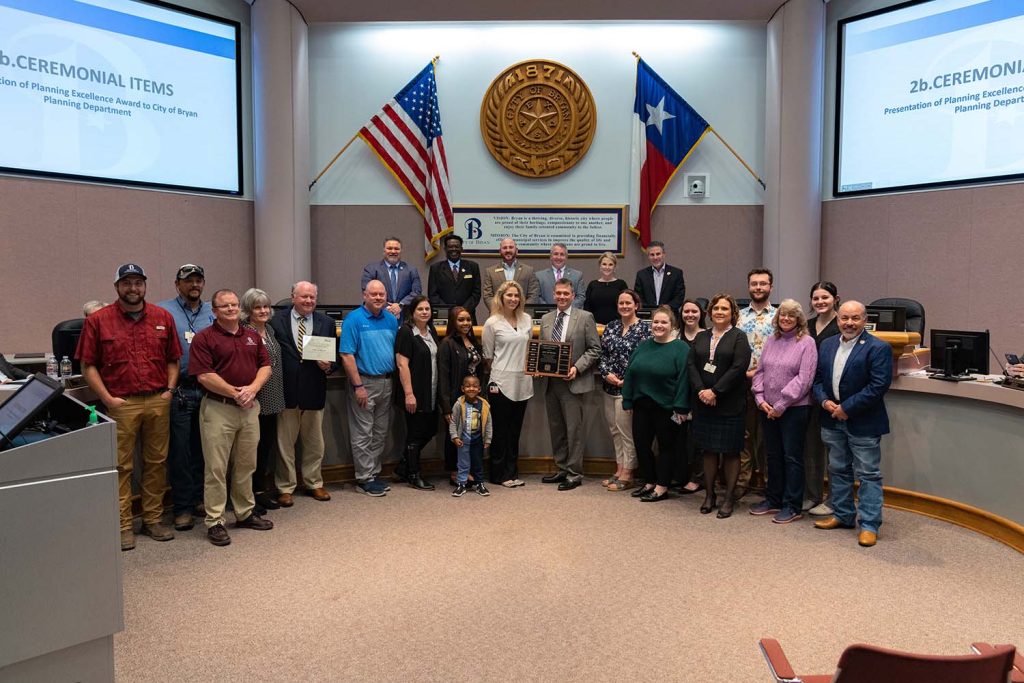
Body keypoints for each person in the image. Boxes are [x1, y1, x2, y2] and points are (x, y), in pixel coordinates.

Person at [76, 263, 182, 551]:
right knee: (121, 466)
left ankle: (152, 519)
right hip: (122, 403)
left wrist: (170, 391)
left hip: (158, 399)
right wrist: (108, 399)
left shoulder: (162, 317)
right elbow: (88, 365)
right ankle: (124, 526)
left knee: (157, 463)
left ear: (145, 286)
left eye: (138, 283)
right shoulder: (98, 320)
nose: (133, 288)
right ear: (117, 287)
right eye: (127, 283)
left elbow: (173, 359)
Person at [189, 289, 274, 546]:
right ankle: (215, 520)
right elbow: (203, 375)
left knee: (247, 463)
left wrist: (253, 389)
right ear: (214, 311)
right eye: (224, 306)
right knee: (216, 467)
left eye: (234, 305)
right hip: (219, 408)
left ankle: (245, 512)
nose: (231, 309)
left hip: (249, 408)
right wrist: (235, 393)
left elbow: (265, 366)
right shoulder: (204, 338)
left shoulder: (251, 336)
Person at [812, 301, 893, 548]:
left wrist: (847, 408)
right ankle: (843, 514)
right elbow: (816, 379)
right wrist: (825, 401)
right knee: (837, 469)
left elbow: (878, 386)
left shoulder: (878, 348)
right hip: (830, 417)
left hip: (863, 420)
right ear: (837, 320)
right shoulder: (826, 344)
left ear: (864, 320)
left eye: (855, 318)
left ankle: (869, 525)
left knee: (868, 474)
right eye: (845, 318)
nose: (849, 323)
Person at [157, 264, 216, 532]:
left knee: (205, 450)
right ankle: (181, 507)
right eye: (188, 281)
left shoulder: (212, 311)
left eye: (198, 280)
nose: (194, 285)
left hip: (208, 389)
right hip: (179, 389)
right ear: (177, 284)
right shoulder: (163, 311)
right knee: (180, 452)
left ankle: (200, 500)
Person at [749, 300, 818, 524]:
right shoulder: (771, 340)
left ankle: (793, 505)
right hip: (767, 409)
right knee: (772, 455)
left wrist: (781, 404)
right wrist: (760, 399)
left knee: (792, 457)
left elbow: (805, 379)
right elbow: (760, 372)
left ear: (799, 319)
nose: (786, 319)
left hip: (794, 409)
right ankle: (773, 499)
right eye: (782, 315)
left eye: (791, 315)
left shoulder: (807, 343)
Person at [268, 281, 336, 506]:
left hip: (314, 389)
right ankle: (285, 487)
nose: (308, 301)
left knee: (315, 443)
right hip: (285, 390)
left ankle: (314, 483)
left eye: (312, 297)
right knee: (284, 443)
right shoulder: (275, 320)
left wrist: (328, 366)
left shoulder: (326, 322)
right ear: (293, 297)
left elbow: (334, 357)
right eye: (304, 297)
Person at [688, 293, 752, 519]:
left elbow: (738, 368)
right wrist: (701, 392)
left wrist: (715, 391)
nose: (719, 312)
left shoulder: (739, 337)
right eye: (716, 308)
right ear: (710, 312)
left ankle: (728, 498)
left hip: (730, 404)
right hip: (704, 403)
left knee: (731, 452)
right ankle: (710, 495)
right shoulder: (702, 336)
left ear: (732, 313)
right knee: (708, 450)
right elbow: (691, 365)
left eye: (724, 309)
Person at [622, 305, 691, 502]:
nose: (659, 326)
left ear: (672, 325)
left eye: (664, 322)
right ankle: (650, 482)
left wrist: (681, 407)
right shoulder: (644, 345)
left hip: (668, 408)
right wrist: (627, 399)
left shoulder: (681, 348)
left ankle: (662, 486)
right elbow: (631, 373)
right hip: (642, 405)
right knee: (642, 446)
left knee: (666, 447)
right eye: (656, 322)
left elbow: (684, 381)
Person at [539, 278, 601, 491]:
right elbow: (542, 350)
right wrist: (538, 367)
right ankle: (562, 468)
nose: (562, 297)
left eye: (566, 293)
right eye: (559, 293)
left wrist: (577, 368)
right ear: (553, 295)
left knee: (574, 430)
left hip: (574, 382)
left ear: (573, 296)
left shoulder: (585, 317)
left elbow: (595, 349)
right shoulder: (546, 319)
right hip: (551, 383)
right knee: (557, 429)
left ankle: (574, 474)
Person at [339, 280, 400, 497]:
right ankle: (364, 478)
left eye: (381, 294)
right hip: (364, 383)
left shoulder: (391, 319)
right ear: (364, 295)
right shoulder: (354, 320)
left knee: (380, 432)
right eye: (373, 294)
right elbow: (346, 355)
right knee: (363, 433)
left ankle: (373, 473)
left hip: (386, 382)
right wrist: (358, 386)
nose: (378, 298)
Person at [597, 289, 650, 491]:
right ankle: (619, 469)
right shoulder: (611, 327)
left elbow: (646, 359)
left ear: (636, 305)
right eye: (621, 303)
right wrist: (605, 373)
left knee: (626, 432)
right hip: (608, 386)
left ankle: (629, 472)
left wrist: (627, 379)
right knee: (614, 431)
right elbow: (602, 355)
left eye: (629, 303)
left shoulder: (644, 329)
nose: (625, 306)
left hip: (629, 389)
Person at [481, 280, 533, 488]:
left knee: (515, 431)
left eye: (516, 295)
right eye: (509, 295)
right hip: (500, 381)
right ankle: (498, 474)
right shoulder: (492, 323)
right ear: (501, 298)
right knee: (500, 430)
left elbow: (530, 350)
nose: (513, 299)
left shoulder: (527, 319)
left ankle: (512, 472)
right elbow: (488, 356)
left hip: (523, 381)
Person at [241, 287, 286, 514]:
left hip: (273, 397)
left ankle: (259, 491)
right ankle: (246, 496)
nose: (263, 310)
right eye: (257, 307)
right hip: (253, 399)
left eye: (266, 306)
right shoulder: (243, 332)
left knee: (265, 448)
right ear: (248, 310)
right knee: (250, 450)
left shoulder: (270, 330)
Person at [737, 268, 776, 498]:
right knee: (744, 436)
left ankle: (769, 482)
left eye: (763, 284)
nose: (758, 288)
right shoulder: (739, 316)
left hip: (770, 386)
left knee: (767, 437)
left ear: (771, 287)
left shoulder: (780, 316)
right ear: (749, 287)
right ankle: (743, 481)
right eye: (754, 284)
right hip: (741, 384)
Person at [395, 295, 440, 491]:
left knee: (431, 429)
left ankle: (404, 465)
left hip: (431, 390)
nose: (424, 312)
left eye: (427, 309)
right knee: (415, 433)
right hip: (415, 392)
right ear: (412, 312)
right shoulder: (405, 332)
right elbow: (402, 364)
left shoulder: (432, 331)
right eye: (420, 309)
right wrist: (409, 394)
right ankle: (413, 474)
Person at [437, 305, 485, 486]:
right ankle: (455, 472)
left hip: (473, 397)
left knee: (471, 434)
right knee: (455, 436)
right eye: (461, 320)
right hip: (456, 400)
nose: (466, 323)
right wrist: (447, 407)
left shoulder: (473, 341)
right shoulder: (447, 344)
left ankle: (469, 469)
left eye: (468, 320)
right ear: (453, 322)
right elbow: (443, 377)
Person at [805, 281, 841, 516]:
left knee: (836, 452)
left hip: (833, 394)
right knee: (810, 447)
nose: (820, 302)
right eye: (816, 298)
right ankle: (811, 495)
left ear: (835, 299)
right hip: (808, 394)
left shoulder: (843, 324)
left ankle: (835, 499)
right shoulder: (806, 325)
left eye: (825, 297)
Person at [676, 298, 707, 494]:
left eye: (694, 311)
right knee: (679, 438)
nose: (690, 315)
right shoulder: (675, 336)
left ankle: (698, 478)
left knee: (698, 440)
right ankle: (680, 475)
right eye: (686, 311)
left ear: (701, 314)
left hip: (701, 393)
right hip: (679, 393)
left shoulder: (707, 336)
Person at [448, 375, 492, 497]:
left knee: (478, 463)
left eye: (474, 386)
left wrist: (487, 439)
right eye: (467, 386)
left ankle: (479, 484)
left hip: (478, 441)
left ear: (479, 389)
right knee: (463, 463)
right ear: (462, 388)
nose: (471, 388)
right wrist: (455, 437)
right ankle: (461, 484)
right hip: (463, 441)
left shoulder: (484, 406)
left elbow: (488, 424)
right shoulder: (459, 404)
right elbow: (453, 422)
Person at [361, 236, 422, 318]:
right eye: (389, 248)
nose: (393, 251)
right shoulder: (371, 269)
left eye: (396, 249)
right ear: (384, 251)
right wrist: (388, 307)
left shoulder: (411, 270)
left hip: (405, 317)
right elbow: (367, 291)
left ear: (401, 251)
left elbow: (417, 292)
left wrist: (400, 305)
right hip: (378, 316)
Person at [427, 234, 482, 322]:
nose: (454, 249)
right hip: (443, 316)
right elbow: (433, 294)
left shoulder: (472, 267)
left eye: (457, 246)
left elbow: (476, 293)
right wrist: (449, 311)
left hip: (467, 315)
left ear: (461, 249)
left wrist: (462, 310)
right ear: (445, 249)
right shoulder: (436, 268)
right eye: (450, 247)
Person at [482, 237, 539, 305]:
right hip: (498, 314)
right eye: (505, 248)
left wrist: (520, 312)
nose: (508, 250)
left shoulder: (528, 271)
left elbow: (533, 295)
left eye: (511, 247)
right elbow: (487, 296)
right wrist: (498, 311)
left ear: (517, 250)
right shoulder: (490, 272)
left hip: (521, 314)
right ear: (500, 251)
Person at [634, 240, 685, 311]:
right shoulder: (641, 274)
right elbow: (638, 297)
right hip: (648, 315)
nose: (655, 257)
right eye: (652, 255)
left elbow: (679, 296)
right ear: (648, 256)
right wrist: (650, 309)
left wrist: (669, 307)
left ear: (664, 254)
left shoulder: (676, 273)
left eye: (658, 254)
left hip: (670, 315)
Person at [583, 252, 628, 325]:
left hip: (617, 327)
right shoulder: (592, 285)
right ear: (600, 266)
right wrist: (593, 324)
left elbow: (626, 307)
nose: (607, 267)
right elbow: (587, 308)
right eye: (604, 264)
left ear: (615, 267)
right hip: (595, 327)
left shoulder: (621, 284)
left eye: (610, 264)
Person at [536, 242, 585, 307]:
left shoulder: (577, 275)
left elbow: (581, 297)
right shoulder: (539, 276)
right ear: (550, 257)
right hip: (548, 314)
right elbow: (537, 297)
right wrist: (551, 310)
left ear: (566, 257)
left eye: (562, 254)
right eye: (556, 254)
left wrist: (566, 309)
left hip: (571, 315)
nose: (559, 257)